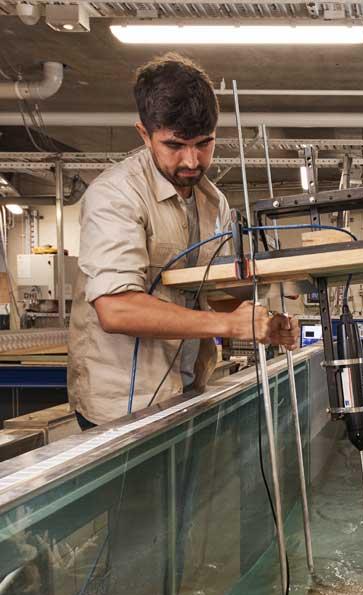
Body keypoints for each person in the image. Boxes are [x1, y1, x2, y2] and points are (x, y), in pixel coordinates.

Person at [68, 53, 298, 429]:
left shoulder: (213, 202)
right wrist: (227, 327)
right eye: (175, 145)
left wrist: (263, 318)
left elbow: (216, 297)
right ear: (144, 134)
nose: (192, 161)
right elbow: (116, 309)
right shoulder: (116, 195)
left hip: (187, 391)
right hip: (123, 408)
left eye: (204, 144)